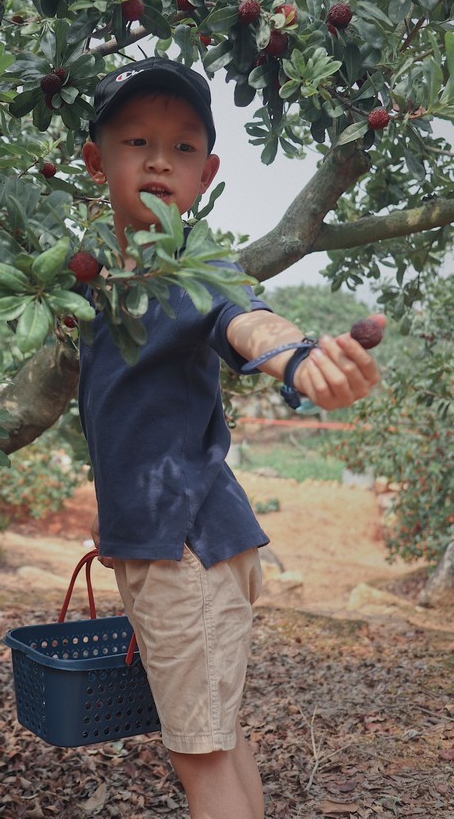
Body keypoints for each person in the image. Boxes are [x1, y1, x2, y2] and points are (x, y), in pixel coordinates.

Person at [78, 57, 384, 819]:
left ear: (207, 173)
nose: (158, 159)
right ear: (96, 161)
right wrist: (117, 521)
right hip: (173, 544)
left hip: (190, 550)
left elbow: (246, 319)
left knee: (200, 754)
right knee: (217, 738)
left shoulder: (195, 272)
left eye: (183, 148)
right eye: (137, 140)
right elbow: (119, 417)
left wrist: (304, 360)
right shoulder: (94, 282)